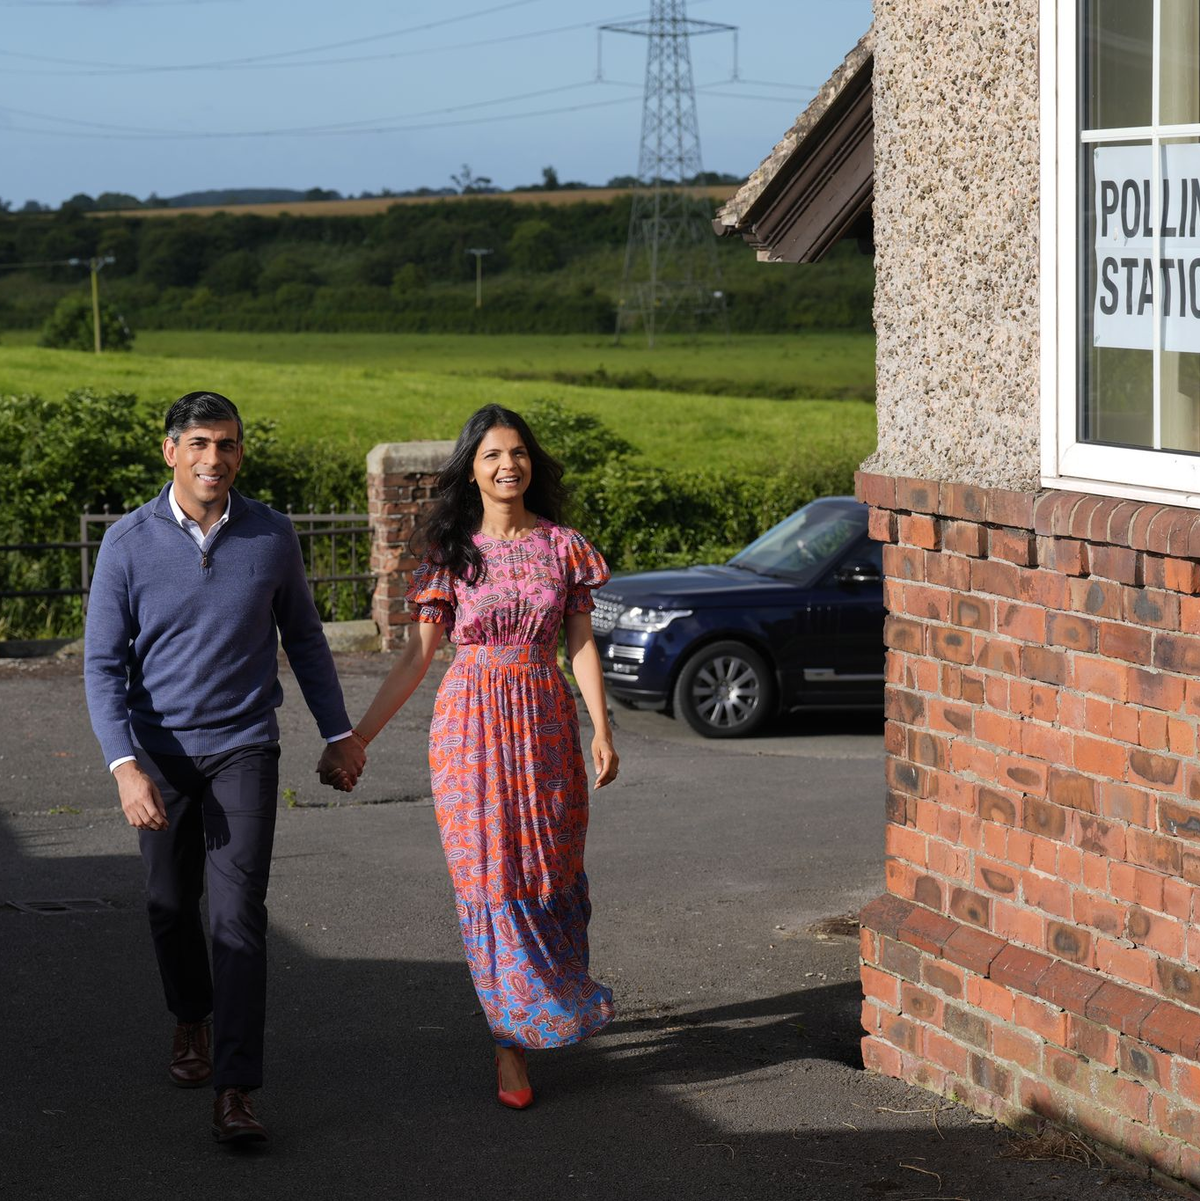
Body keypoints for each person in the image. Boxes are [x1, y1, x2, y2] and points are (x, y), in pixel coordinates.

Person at [83, 391, 366, 1144]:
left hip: (245, 743)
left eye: (230, 444)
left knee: (237, 915)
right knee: (170, 904)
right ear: (170, 449)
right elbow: (103, 665)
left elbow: (305, 637)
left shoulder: (271, 533)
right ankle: (189, 1017)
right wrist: (124, 766)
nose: (216, 458)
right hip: (159, 752)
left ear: (242, 452)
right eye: (201, 443)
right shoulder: (127, 541)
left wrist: (339, 733)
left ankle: (236, 1086)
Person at [337, 403, 618, 1108]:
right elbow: (416, 657)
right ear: (471, 468)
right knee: (490, 876)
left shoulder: (563, 546)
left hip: (545, 720)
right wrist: (359, 736)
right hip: (470, 727)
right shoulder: (450, 554)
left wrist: (602, 727)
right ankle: (509, 1041)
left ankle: (546, 1003)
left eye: (518, 453)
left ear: (533, 464)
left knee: (549, 870)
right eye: (492, 454)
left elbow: (579, 643)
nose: (508, 465)